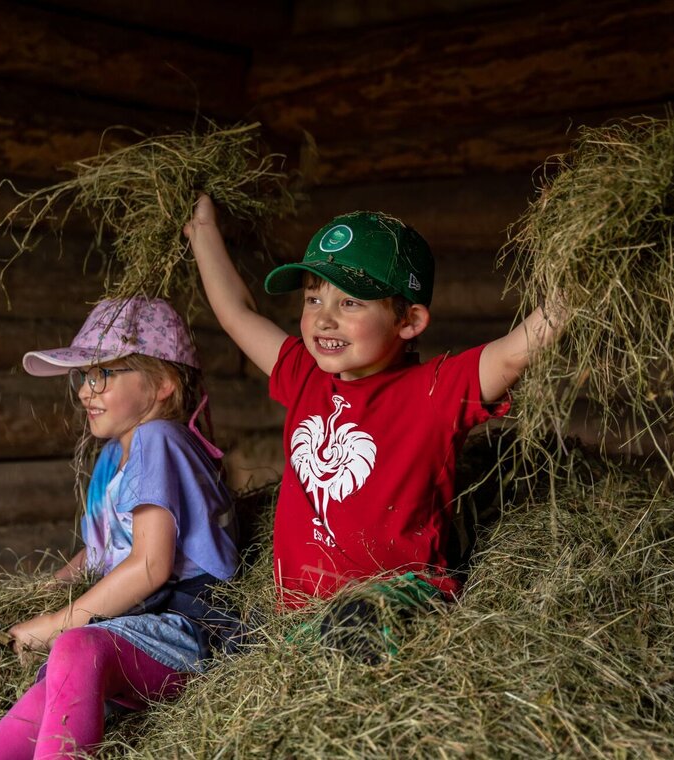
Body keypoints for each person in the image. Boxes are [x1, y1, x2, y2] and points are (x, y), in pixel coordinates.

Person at [184, 194, 563, 615]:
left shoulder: (433, 390)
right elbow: (237, 314)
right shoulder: (304, 372)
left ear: (409, 321)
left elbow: (512, 353)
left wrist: (572, 293)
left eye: (350, 302)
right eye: (313, 299)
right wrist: (203, 233)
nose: (324, 319)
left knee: (352, 627)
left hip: (395, 604)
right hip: (297, 618)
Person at [0, 296, 238, 760]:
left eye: (104, 375)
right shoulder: (114, 455)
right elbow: (102, 553)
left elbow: (150, 566)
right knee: (42, 699)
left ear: (164, 385)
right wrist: (41, 593)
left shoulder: (159, 440)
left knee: (72, 650)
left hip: (188, 629)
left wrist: (52, 625)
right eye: (84, 376)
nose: (85, 391)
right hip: (131, 625)